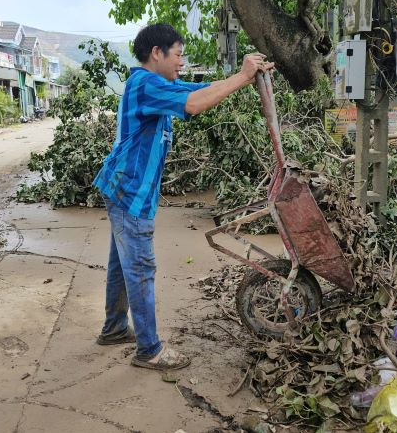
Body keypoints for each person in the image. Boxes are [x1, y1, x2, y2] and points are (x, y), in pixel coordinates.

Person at [92, 23, 275, 370]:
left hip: (122, 188)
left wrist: (245, 77)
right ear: (156, 53)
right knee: (140, 267)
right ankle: (149, 350)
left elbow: (199, 88)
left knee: (122, 262)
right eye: (178, 54)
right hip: (131, 193)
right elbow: (193, 104)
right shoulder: (145, 84)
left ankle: (115, 327)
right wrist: (241, 76)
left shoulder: (157, 85)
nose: (182, 62)